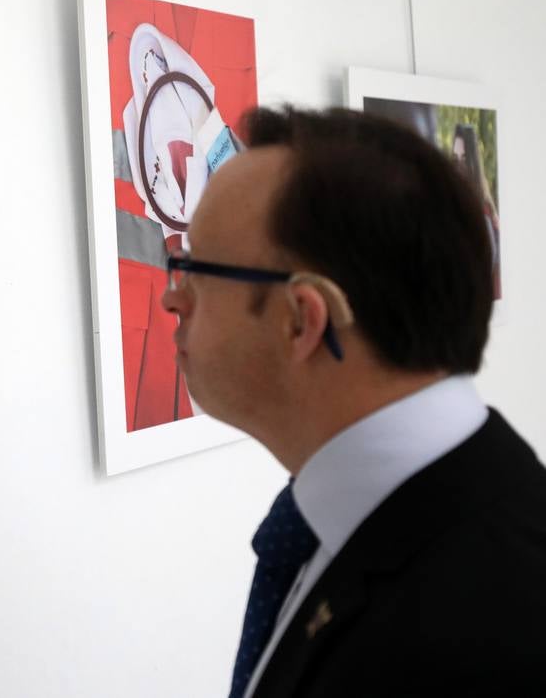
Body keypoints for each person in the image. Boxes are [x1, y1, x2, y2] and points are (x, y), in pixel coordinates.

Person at [158, 107, 546, 697]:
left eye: (194, 270)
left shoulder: (484, 628)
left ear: (301, 321)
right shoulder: (398, 521)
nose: (170, 298)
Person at [452, 123, 501, 300]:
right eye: (455, 157)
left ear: (472, 160)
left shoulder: (483, 210)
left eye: (464, 158)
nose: (459, 164)